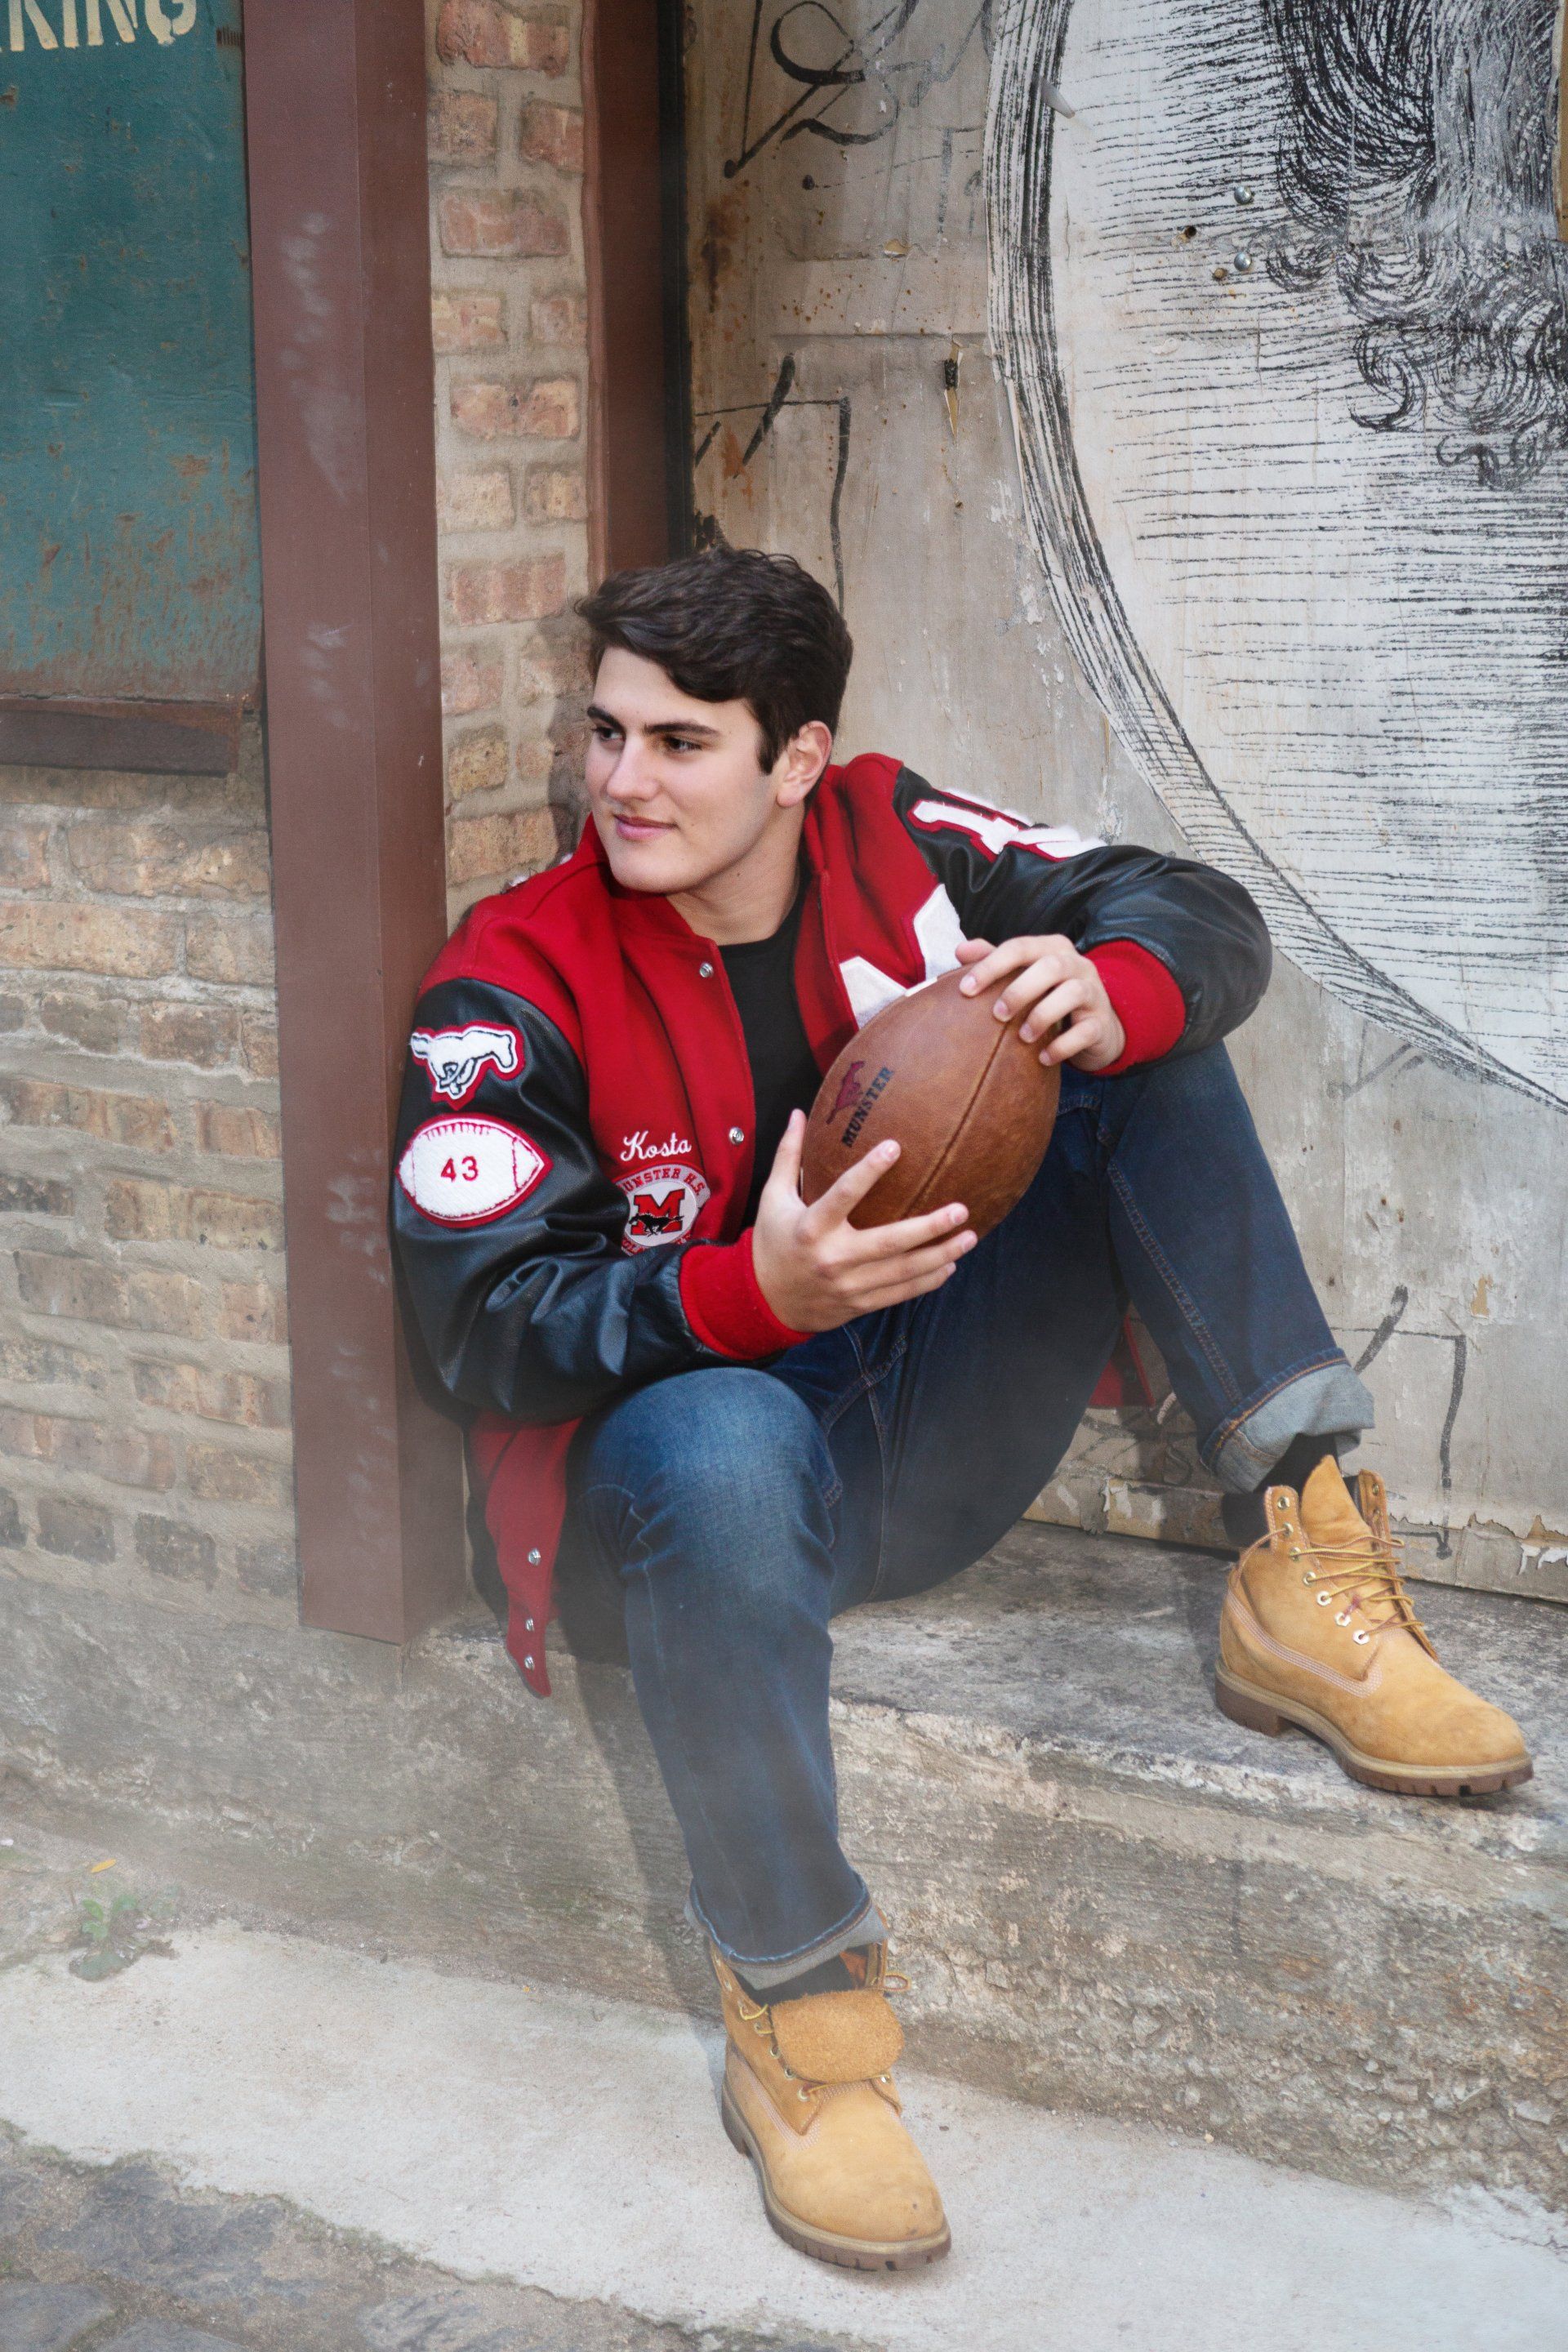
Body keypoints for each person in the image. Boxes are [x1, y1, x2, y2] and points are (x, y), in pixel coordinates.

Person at [392, 548, 1531, 2270]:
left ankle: (1300, 1556)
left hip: (906, 1452)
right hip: (674, 1523)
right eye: (605, 732)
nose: (620, 781)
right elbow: (475, 1332)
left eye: (679, 743)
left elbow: (1186, 904)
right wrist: (745, 1298)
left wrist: (1121, 984)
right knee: (720, 1430)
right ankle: (805, 2026)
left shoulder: (892, 838)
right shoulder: (509, 983)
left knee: (1127, 1028)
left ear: (797, 758)